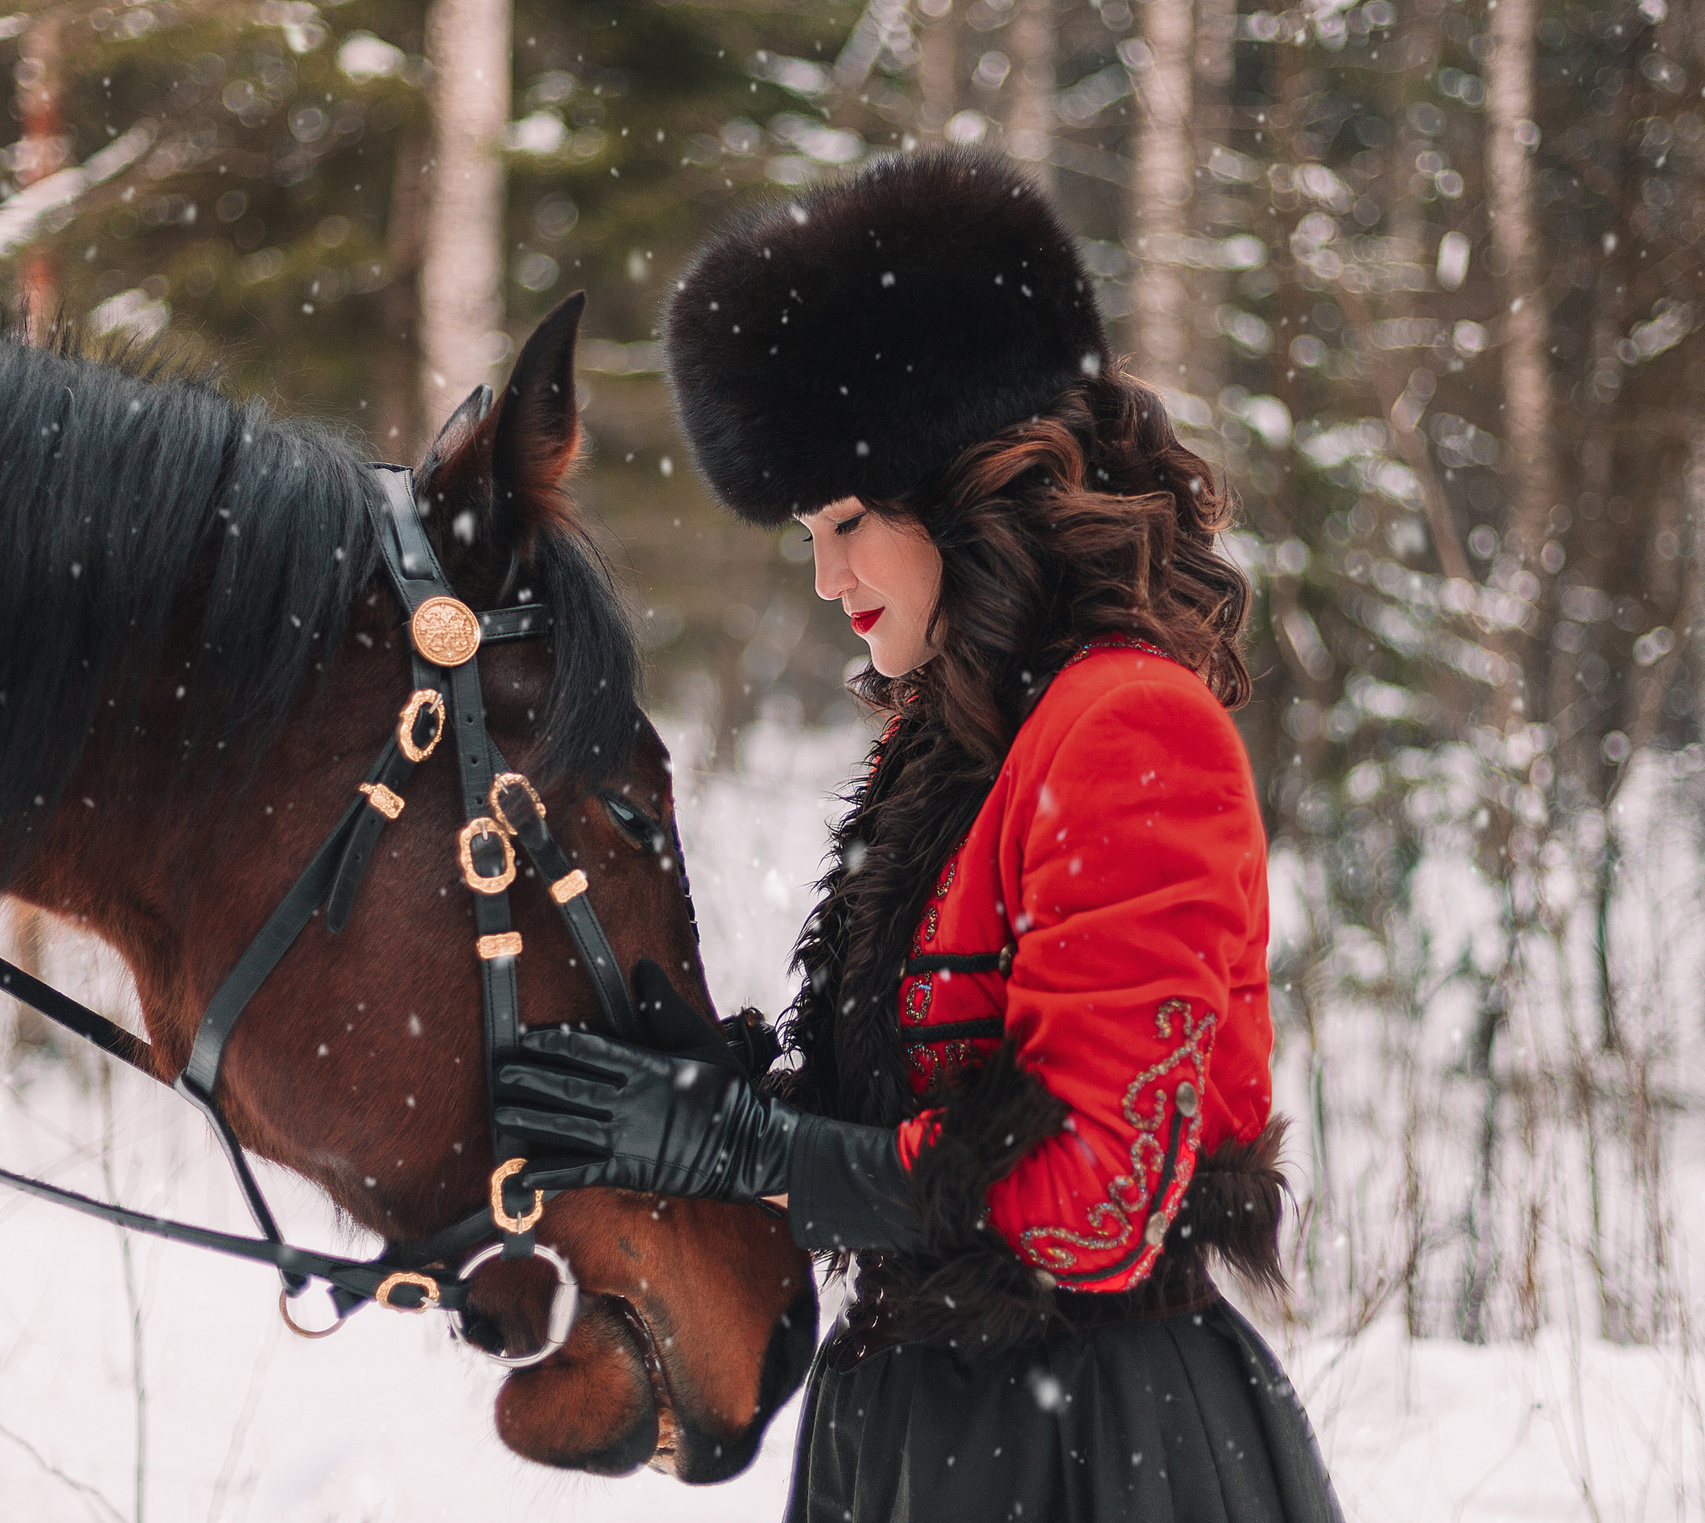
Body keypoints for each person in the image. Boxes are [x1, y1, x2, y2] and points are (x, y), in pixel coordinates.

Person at [494, 150, 1342, 1522]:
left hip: (1090, 1452)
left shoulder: (1131, 728)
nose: (826, 577)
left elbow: (1093, 1204)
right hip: (906, 1438)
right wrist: (680, 1111)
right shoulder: (948, 746)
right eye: (806, 534)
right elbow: (912, 1124)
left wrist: (748, 1151)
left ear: (964, 489)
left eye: (845, 521)